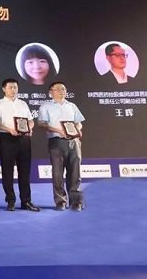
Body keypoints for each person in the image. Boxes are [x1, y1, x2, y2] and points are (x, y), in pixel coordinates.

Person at [0, 78, 40, 212]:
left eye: (15, 87)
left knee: (25, 171)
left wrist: (29, 128)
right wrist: (9, 129)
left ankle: (26, 201)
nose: (13, 90)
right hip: (7, 138)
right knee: (7, 171)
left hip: (24, 139)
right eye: (10, 87)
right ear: (4, 89)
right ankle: (10, 200)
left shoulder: (23, 104)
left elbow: (30, 120)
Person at [38, 82, 85, 211]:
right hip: (56, 141)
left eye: (63, 89)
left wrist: (77, 129)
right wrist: (59, 131)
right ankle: (60, 201)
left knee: (75, 172)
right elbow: (41, 124)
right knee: (57, 173)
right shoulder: (45, 107)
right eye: (57, 89)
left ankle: (76, 202)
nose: (61, 91)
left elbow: (79, 122)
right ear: (51, 92)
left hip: (74, 141)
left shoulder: (72, 106)